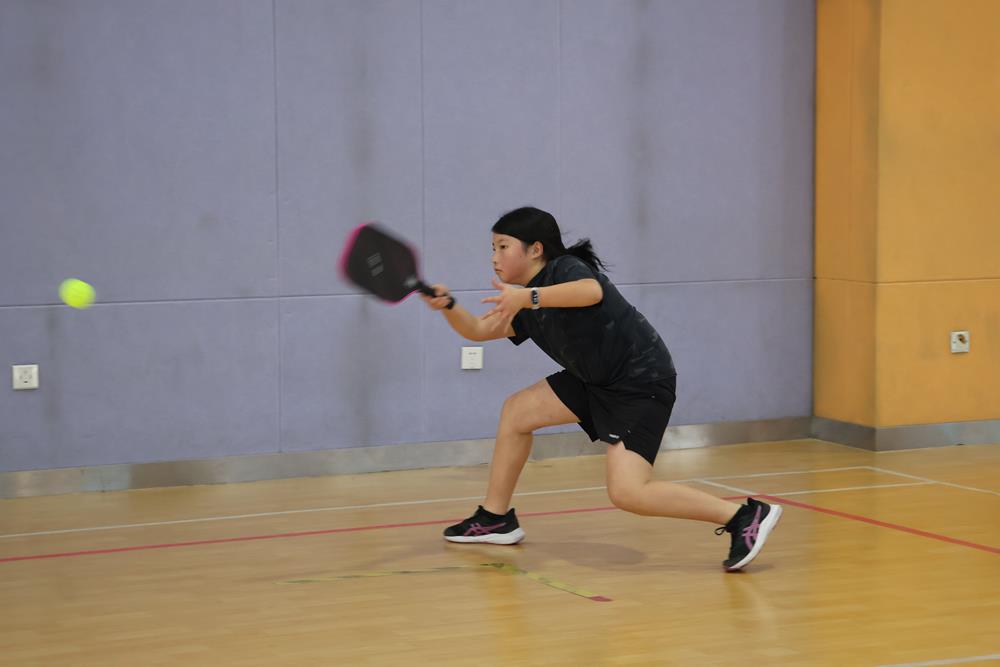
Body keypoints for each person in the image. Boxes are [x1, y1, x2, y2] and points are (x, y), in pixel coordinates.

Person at [420, 206, 781, 571]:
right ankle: (495, 518)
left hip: (640, 381)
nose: (494, 257)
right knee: (517, 412)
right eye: (493, 248)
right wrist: (448, 305)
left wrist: (527, 298)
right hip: (594, 379)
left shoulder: (564, 269)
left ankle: (742, 517)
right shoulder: (527, 300)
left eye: (503, 246)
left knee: (628, 493)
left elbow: (590, 291)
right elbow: (478, 330)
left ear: (536, 249)